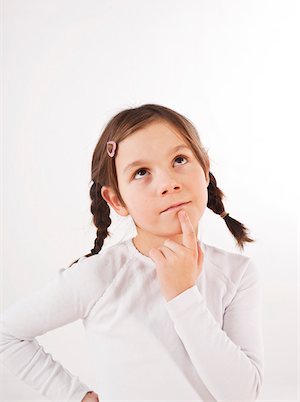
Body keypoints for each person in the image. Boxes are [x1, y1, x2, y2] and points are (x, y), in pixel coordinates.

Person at [0, 103, 264, 402]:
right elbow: (7, 336)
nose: (168, 183)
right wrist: (76, 396)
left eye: (179, 159)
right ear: (116, 200)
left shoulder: (237, 274)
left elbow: (242, 395)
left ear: (205, 169)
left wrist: (183, 295)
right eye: (141, 172)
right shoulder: (100, 275)